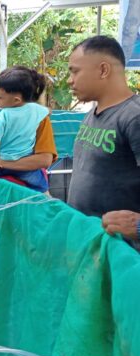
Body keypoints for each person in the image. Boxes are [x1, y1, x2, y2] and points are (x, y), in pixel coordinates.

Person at [66, 36, 140, 248]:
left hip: (123, 253)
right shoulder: (93, 113)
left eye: (75, 71)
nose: (70, 80)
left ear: (103, 70)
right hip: (93, 243)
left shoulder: (134, 117)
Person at [0, 67, 51, 193]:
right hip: (15, 174)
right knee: (42, 189)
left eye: (0, 98)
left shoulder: (40, 120)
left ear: (16, 100)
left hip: (18, 175)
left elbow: (45, 159)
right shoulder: (38, 114)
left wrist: (1, 163)